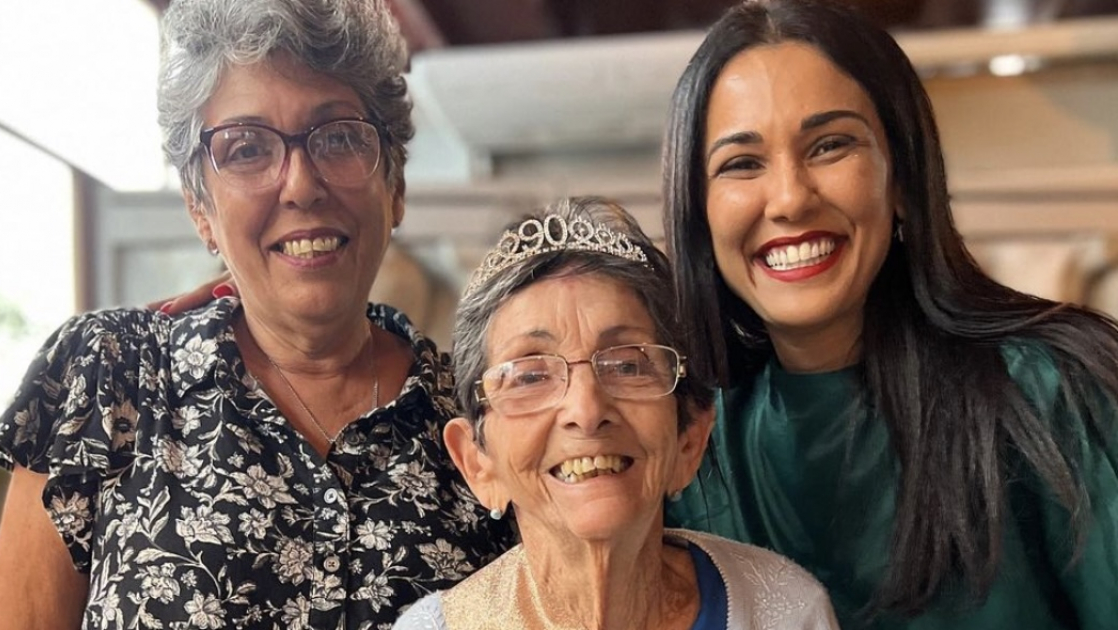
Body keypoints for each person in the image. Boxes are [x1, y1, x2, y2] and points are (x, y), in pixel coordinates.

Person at [0, 1, 512, 628]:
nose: (299, 184)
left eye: (338, 136)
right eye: (246, 149)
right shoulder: (109, 378)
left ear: (394, 185)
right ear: (199, 207)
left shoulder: (484, 420)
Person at [661, 1, 1118, 629]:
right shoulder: (686, 445)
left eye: (830, 145)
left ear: (901, 177)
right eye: (742, 163)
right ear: (698, 213)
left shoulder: (1054, 389)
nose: (790, 198)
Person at [394, 197, 839, 629]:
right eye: (530, 376)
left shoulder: (785, 611)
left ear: (690, 439)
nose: (586, 411)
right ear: (477, 463)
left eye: (627, 365)